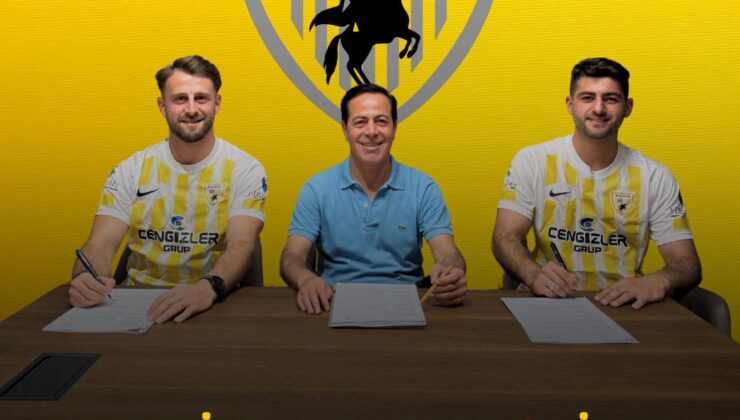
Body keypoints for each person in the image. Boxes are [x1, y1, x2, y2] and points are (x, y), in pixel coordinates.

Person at [68, 55, 267, 322]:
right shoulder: (131, 170)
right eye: (180, 99)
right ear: (162, 106)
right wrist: (85, 278)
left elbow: (242, 244)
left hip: (211, 302)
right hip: (135, 306)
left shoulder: (245, 169)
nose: (192, 109)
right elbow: (100, 244)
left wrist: (208, 287)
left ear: (217, 104)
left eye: (201, 98)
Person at [493, 57, 701, 309]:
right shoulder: (532, 161)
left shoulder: (654, 176)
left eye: (610, 98)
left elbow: (686, 264)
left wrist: (659, 281)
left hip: (623, 307)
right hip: (548, 301)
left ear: (628, 107)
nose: (599, 108)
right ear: (570, 105)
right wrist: (533, 274)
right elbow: (504, 237)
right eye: (587, 97)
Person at [280, 83, 466, 314]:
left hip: (407, 304)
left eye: (381, 121)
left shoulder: (423, 187)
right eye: (360, 122)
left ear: (394, 128)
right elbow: (292, 256)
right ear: (345, 130)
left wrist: (451, 272)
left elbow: (448, 253)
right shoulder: (316, 188)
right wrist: (306, 279)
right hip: (331, 303)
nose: (371, 131)